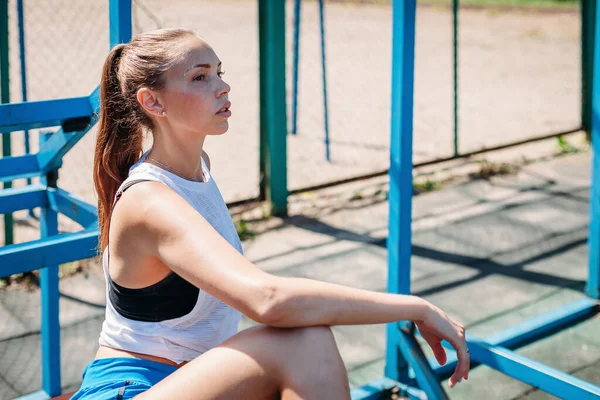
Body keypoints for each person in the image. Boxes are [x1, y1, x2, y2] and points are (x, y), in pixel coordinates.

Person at [71, 28, 470, 400]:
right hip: (130, 388)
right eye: (200, 78)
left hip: (183, 378)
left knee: (304, 341)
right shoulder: (150, 201)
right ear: (152, 101)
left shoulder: (198, 169)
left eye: (219, 73)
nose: (223, 86)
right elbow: (269, 300)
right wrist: (416, 307)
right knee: (303, 344)